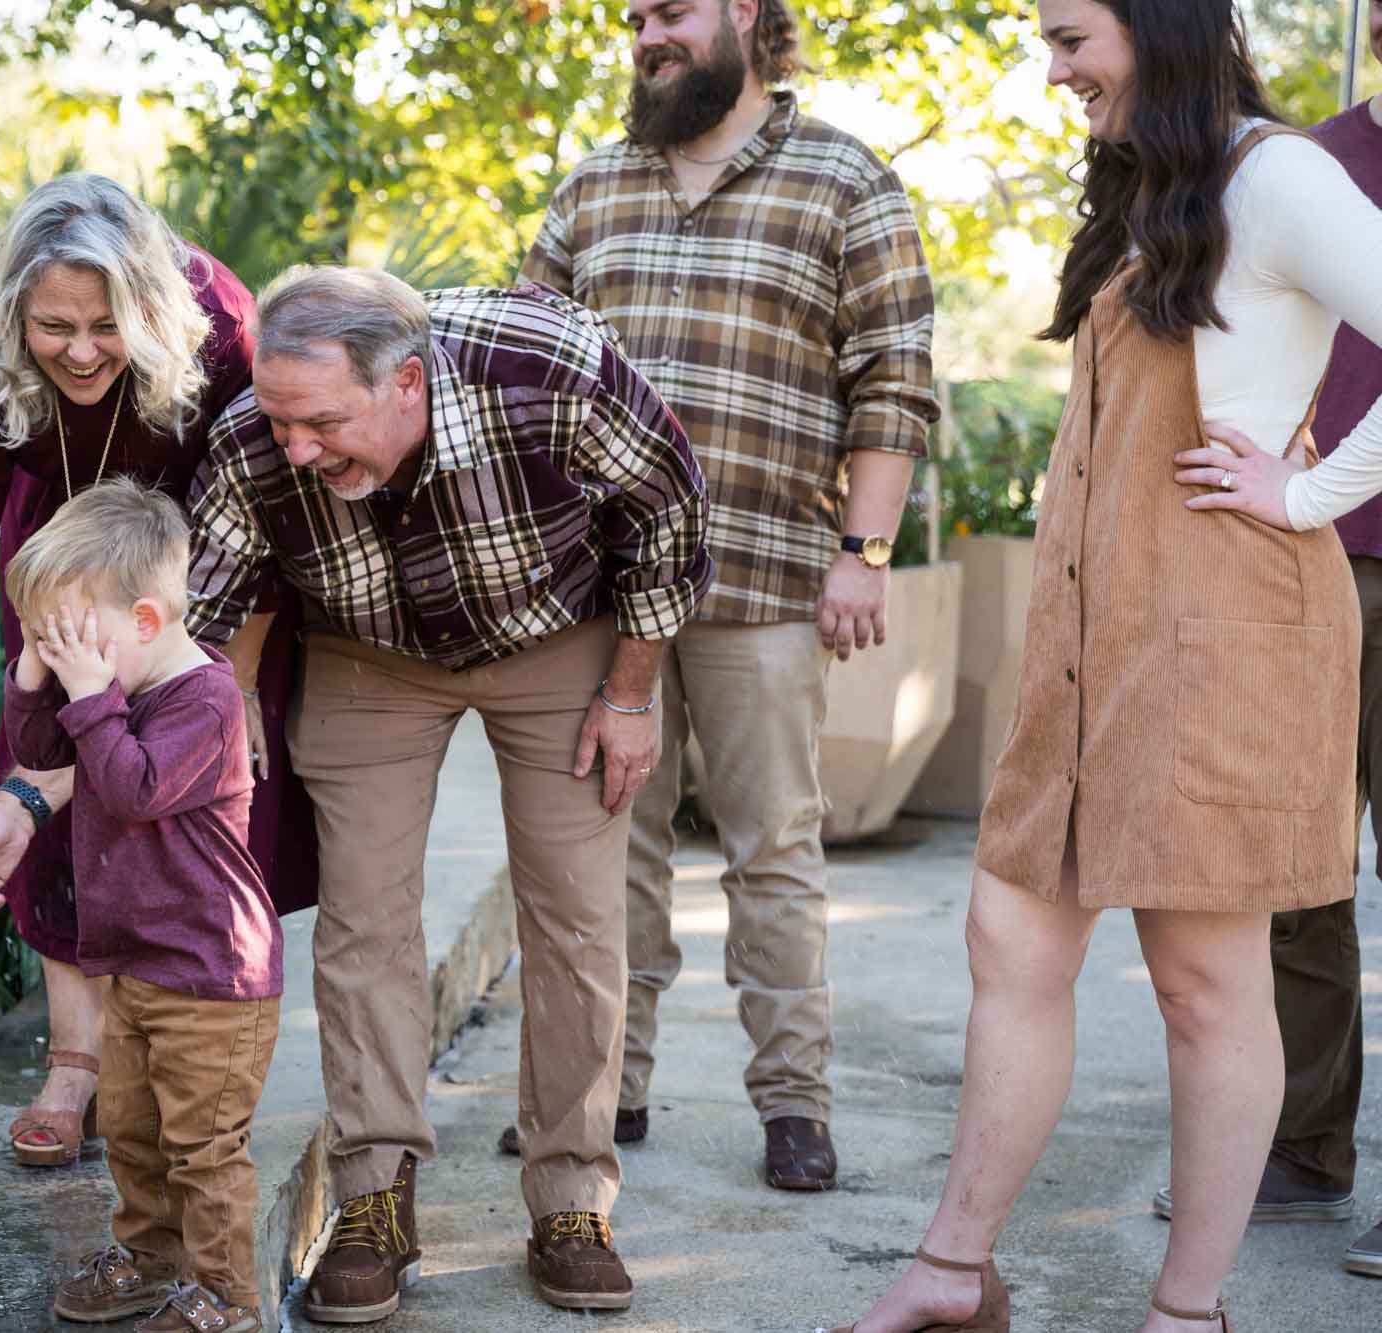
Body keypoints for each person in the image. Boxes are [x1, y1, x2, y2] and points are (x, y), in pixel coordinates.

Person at [831, 3, 1382, 1331]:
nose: (1056, 68)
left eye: (1074, 35)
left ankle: (1186, 1312)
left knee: (1206, 977)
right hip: (1093, 640)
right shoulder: (1155, 185)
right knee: (1009, 936)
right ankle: (954, 1273)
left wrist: (1308, 500)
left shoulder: (1280, 175)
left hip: (1227, 635)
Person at [186, 267, 713, 1319]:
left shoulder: (547, 373)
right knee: (363, 916)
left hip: (556, 636)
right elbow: (215, 586)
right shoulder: (257, 434)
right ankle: (373, 1198)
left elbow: (664, 517)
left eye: (323, 422)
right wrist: (226, 692)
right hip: (366, 653)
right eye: (282, 420)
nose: (295, 448)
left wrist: (629, 696)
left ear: (408, 385)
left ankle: (570, 1197)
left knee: (572, 914)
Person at [517, 0, 938, 1190]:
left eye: (669, 11)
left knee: (773, 853)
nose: (646, 32)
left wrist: (862, 551)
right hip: (599, 593)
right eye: (635, 16)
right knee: (604, 852)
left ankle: (793, 1106)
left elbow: (893, 378)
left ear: (746, 14)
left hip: (760, 581)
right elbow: (519, 362)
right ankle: (605, 1090)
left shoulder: (844, 179)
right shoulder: (591, 186)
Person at [0, 173, 312, 1171]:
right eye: (54, 326)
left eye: (107, 324)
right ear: (12, 309)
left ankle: (172, 1051)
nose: (83, 350)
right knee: (52, 778)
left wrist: (226, 680)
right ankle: (73, 1063)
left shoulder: (218, 325)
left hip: (204, 568)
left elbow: (266, 509)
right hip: (59, 560)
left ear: (149, 305)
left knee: (189, 810)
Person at [1150, 0, 1382, 1282]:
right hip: (1308, 563)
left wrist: (1305, 488)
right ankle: (1304, 1146)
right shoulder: (1310, 153)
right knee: (1294, 877)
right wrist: (1297, 500)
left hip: (1312, 517)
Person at [0, 478, 279, 1333]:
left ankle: (229, 1297)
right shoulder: (111, 689)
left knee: (201, 1150)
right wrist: (38, 670)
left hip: (209, 975)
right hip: (133, 963)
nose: (61, 650)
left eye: (75, 632)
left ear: (147, 622)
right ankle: (152, 1258)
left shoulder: (206, 699)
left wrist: (87, 693)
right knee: (131, 1130)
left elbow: (131, 785)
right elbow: (41, 745)